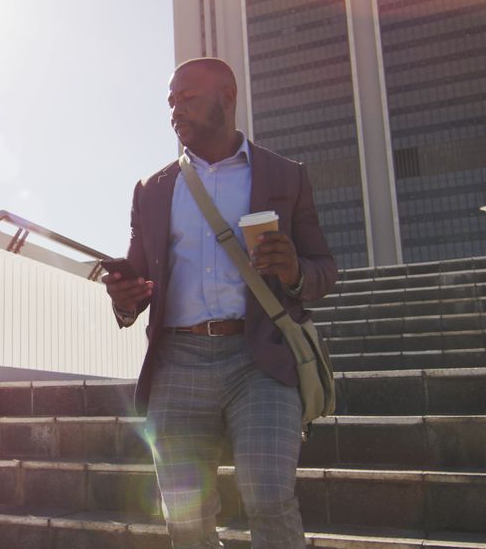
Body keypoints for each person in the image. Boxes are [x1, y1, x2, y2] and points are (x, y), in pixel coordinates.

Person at [103, 58, 337, 549]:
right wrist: (125, 301)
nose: (175, 110)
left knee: (270, 498)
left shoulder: (285, 176)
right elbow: (139, 281)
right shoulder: (152, 189)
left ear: (227, 97)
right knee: (185, 520)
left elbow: (323, 271)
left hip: (261, 361)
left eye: (187, 98)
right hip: (178, 362)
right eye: (171, 102)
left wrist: (294, 271)